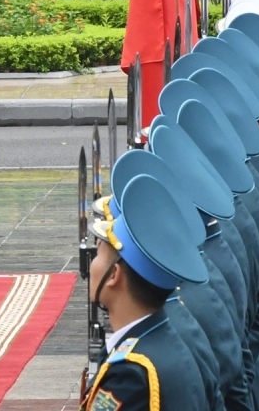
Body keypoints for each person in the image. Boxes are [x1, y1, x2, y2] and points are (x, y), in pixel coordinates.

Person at [83, 174, 213, 410]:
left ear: (114, 275)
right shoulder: (166, 341)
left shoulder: (131, 374)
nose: (92, 265)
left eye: (99, 255)